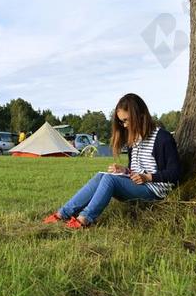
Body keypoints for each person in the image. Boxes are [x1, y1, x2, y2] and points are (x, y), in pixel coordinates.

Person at [43, 93, 182, 228]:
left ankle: (85, 219)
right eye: (121, 122)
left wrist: (148, 177)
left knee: (110, 179)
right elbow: (136, 171)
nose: (124, 125)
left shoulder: (162, 138)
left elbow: (175, 173)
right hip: (138, 186)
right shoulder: (133, 139)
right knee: (101, 176)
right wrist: (125, 171)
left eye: (126, 120)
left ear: (140, 115)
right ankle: (62, 214)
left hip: (154, 191)